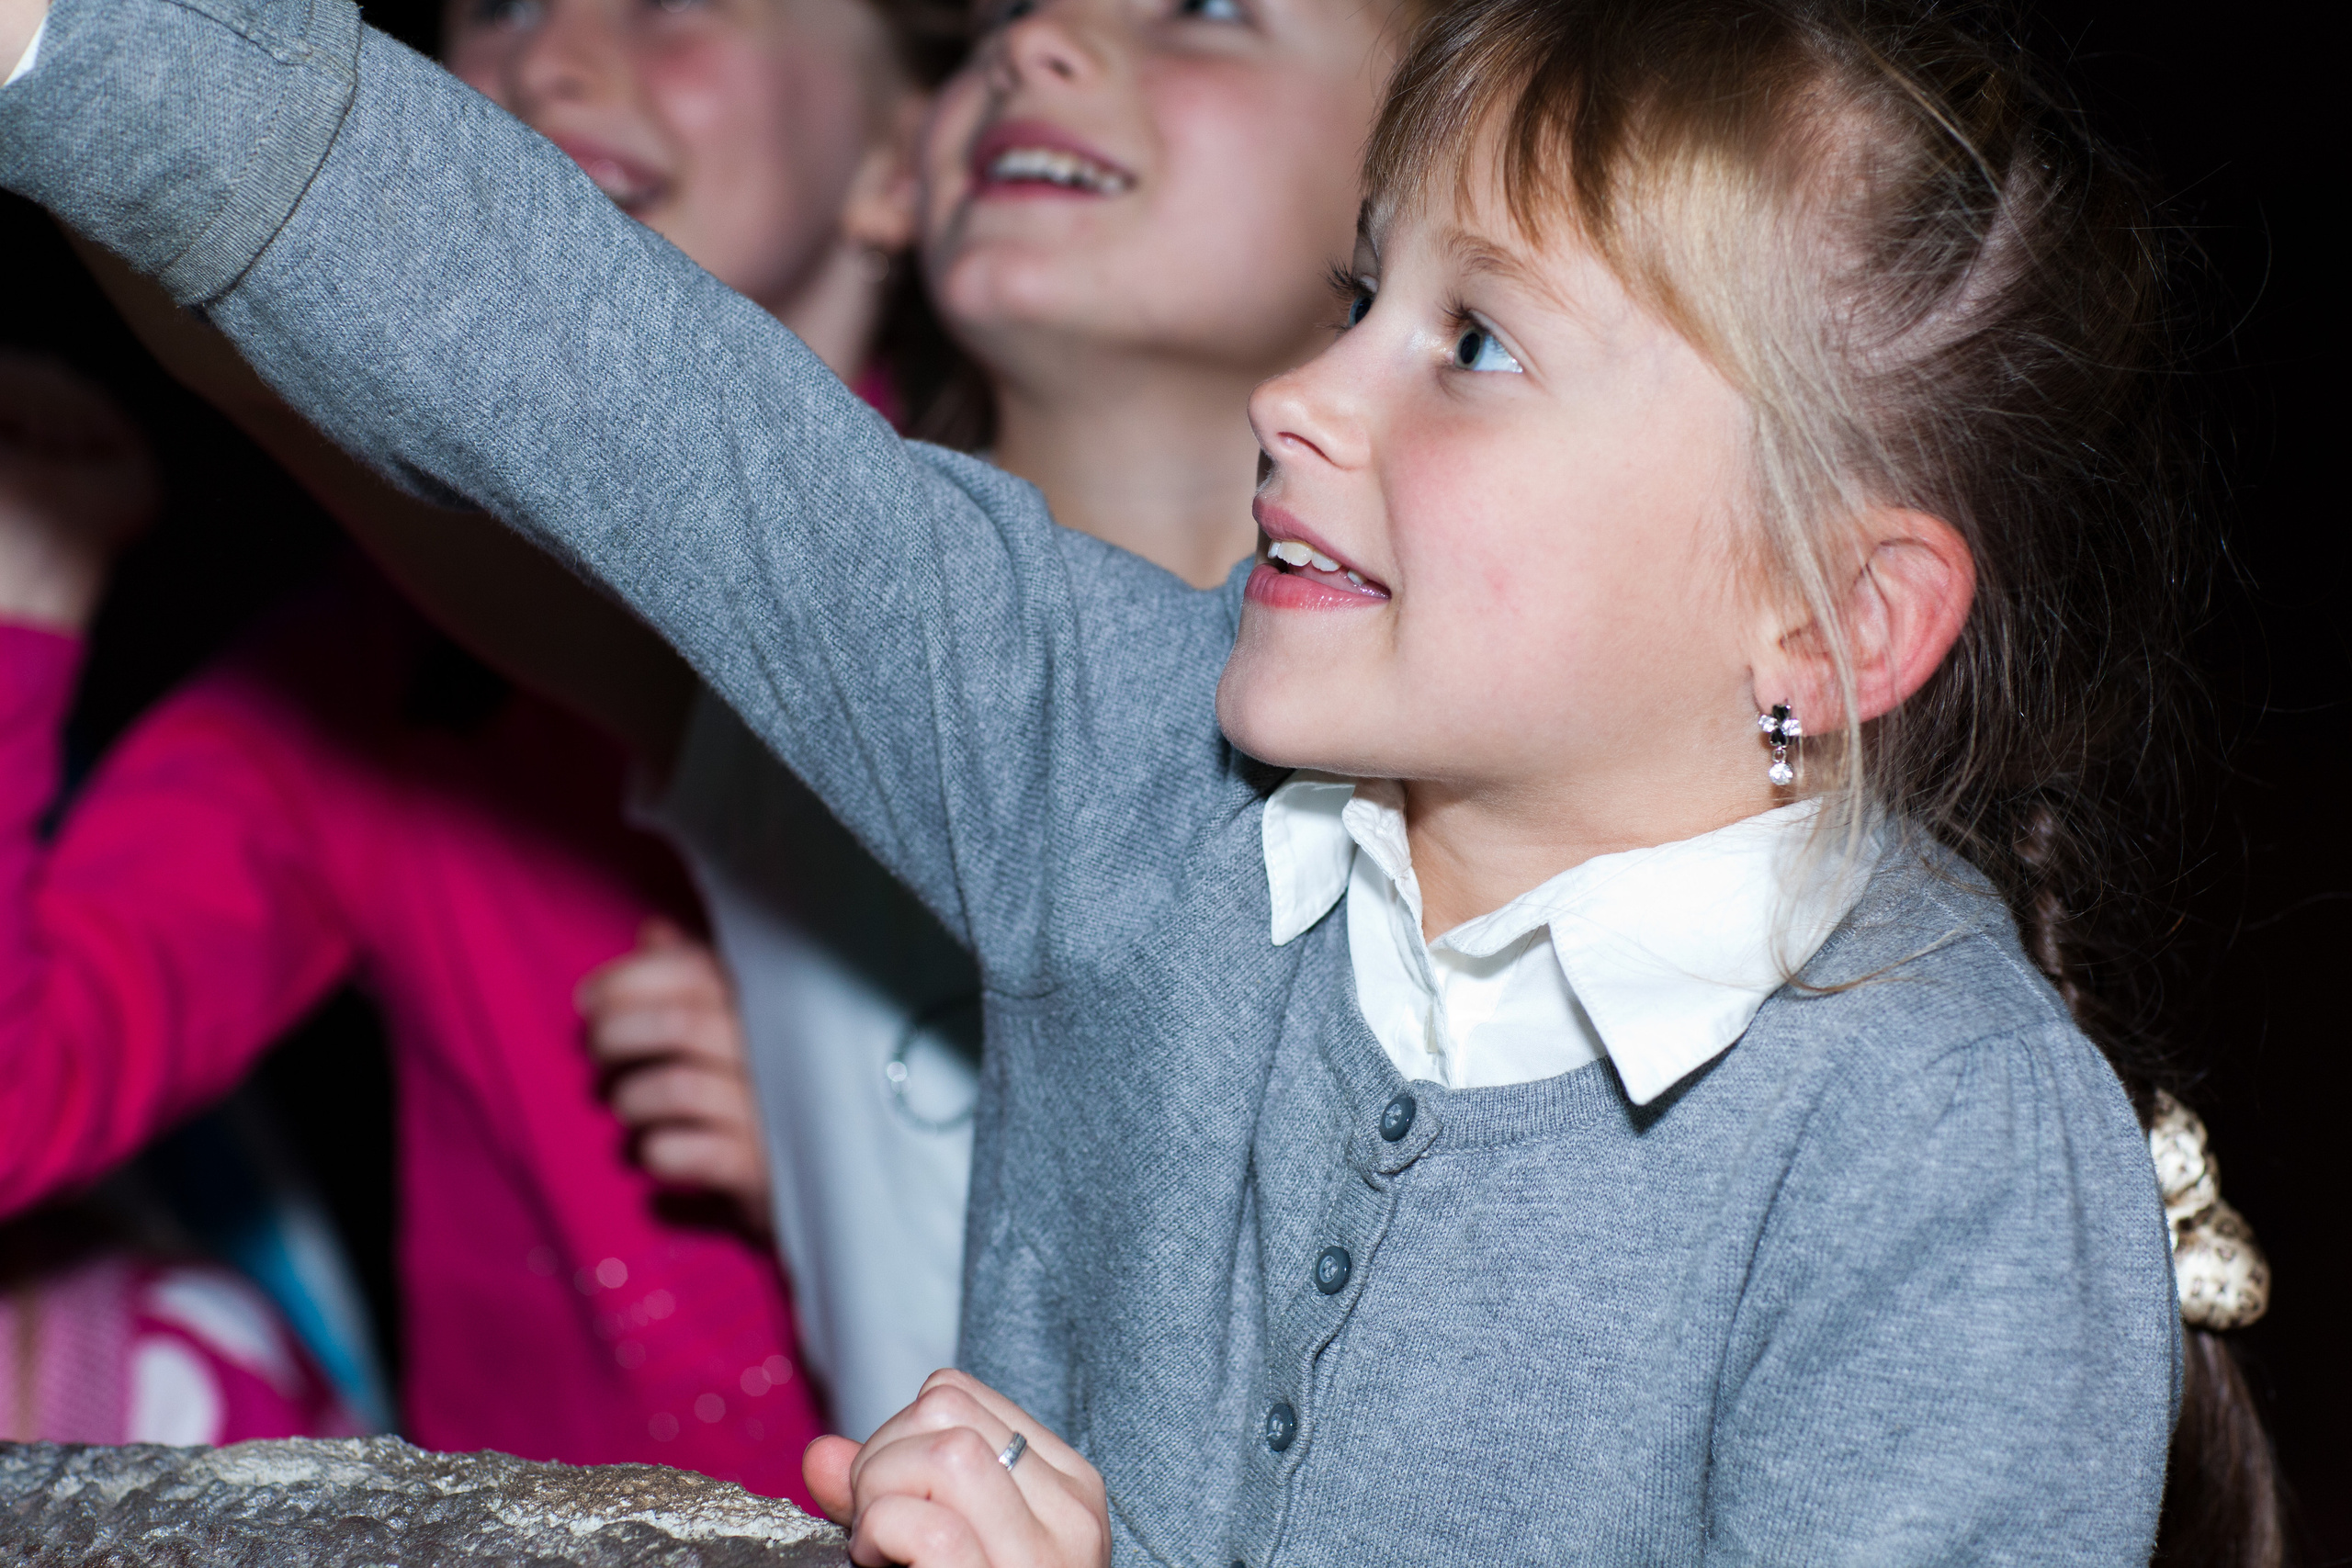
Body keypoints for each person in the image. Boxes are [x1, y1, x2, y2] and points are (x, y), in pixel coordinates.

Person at [0, 0, 2286, 1559]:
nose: (1311, 390)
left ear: (1820, 619)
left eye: (1472, 345)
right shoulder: (1132, 777)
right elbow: (647, 414)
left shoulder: (1942, 1155)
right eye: (1361, 292)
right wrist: (83, 45)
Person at [80, 0, 1418, 1441]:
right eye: (1008, 15)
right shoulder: (778, 676)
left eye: (1206, 10)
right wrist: (77, 62)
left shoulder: (1492, 738)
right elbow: (357, 337)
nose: (1039, 44)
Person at [0, 0, 957, 1493]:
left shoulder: (1030, 633)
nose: (552, 56)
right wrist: (19, 607)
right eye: (496, 6)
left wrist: (879, 1134)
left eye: (669, 4)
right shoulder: (361, 698)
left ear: (914, 152)